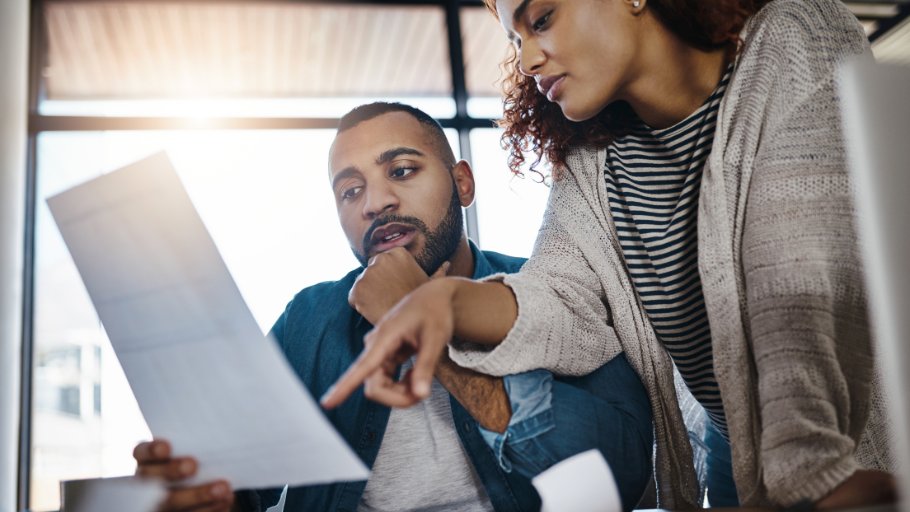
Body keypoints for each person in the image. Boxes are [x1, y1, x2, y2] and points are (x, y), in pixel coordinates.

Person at [322, 1, 897, 509]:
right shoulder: (594, 160)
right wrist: (447, 301)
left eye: (540, 20)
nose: (525, 61)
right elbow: (559, 297)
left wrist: (804, 475)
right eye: (514, 41)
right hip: (734, 447)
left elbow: (798, 280)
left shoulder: (795, 33)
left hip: (851, 449)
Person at [133, 102, 654, 512]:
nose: (373, 203)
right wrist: (195, 496)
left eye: (401, 171)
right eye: (350, 190)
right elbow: (243, 491)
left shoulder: (550, 286)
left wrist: (422, 319)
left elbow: (620, 473)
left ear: (463, 183)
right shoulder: (309, 319)